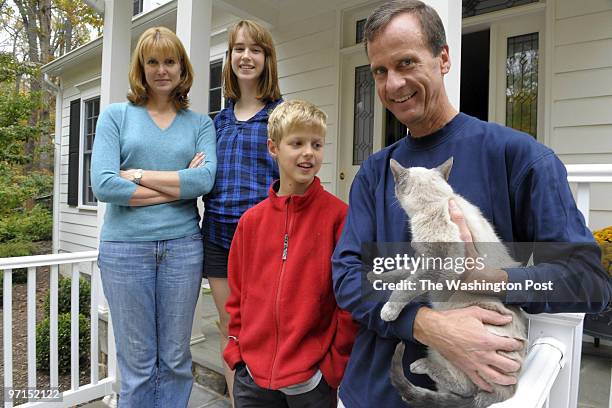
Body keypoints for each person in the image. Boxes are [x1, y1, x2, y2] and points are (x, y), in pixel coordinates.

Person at [331, 1, 612, 407]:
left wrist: (489, 278)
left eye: (406, 63)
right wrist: (428, 325)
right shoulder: (376, 173)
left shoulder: (519, 158)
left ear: (443, 59)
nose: (392, 84)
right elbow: (346, 277)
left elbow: (588, 281)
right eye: (380, 70)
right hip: (370, 392)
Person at [91, 26, 216, 407]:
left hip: (182, 250)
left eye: (170, 61)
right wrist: (178, 185)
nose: (162, 69)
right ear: (141, 68)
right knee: (138, 363)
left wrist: (139, 175)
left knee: (176, 359)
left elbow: (205, 181)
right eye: (153, 62)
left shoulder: (200, 124)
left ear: (182, 68)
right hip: (125, 251)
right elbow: (104, 185)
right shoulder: (116, 117)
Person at [223, 100, 358, 407]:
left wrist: (333, 366)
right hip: (252, 378)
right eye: (296, 143)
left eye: (317, 144)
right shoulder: (251, 222)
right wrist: (237, 351)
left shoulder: (340, 217)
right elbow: (237, 295)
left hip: (312, 382)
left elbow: (349, 301)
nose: (308, 152)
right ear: (273, 148)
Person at [202, 19, 282, 402]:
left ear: (267, 58)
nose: (246, 57)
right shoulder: (214, 123)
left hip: (265, 240)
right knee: (230, 326)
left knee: (266, 326)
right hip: (217, 237)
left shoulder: (281, 117)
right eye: (238, 49)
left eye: (255, 49)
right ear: (229, 57)